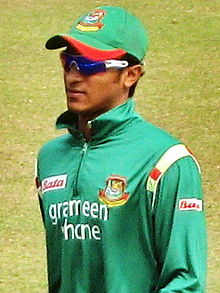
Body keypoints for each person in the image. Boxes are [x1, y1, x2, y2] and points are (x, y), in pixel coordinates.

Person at [36, 5, 207, 293]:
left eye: (90, 65)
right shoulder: (50, 158)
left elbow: (186, 282)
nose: (74, 76)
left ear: (131, 75)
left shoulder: (167, 160)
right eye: (69, 62)